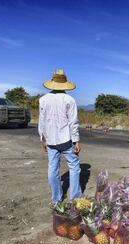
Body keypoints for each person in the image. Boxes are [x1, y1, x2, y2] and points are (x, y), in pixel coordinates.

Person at [38, 69, 82, 205]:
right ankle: (75, 198)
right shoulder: (70, 100)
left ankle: (56, 199)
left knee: (53, 168)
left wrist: (42, 138)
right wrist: (76, 141)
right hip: (66, 139)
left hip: (50, 140)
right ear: (65, 84)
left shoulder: (43, 100)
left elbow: (42, 121)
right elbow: (73, 122)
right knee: (74, 167)